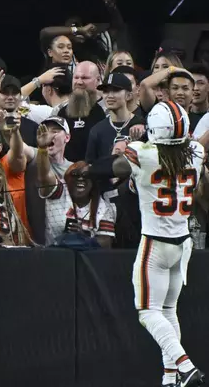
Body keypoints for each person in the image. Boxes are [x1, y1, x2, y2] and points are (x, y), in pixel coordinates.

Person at [83, 101, 206, 387]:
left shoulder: (144, 154)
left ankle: (185, 367)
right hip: (182, 243)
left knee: (148, 312)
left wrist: (88, 168)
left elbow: (110, 167)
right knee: (168, 311)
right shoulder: (197, 152)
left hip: (155, 244)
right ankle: (169, 378)